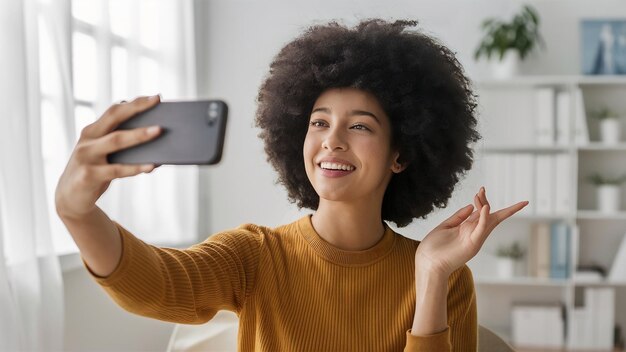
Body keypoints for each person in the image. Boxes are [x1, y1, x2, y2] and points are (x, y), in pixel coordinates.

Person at [55, 19, 527, 351]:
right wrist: (78, 213)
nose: (332, 141)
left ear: (400, 154)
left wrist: (429, 277)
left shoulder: (448, 279)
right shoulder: (255, 256)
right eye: (319, 123)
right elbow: (156, 283)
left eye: (359, 127)